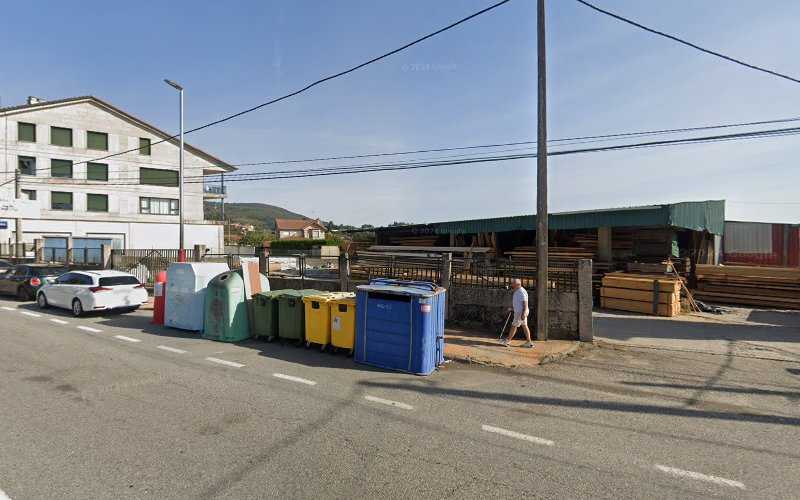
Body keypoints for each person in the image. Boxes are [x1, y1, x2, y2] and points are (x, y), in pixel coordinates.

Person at [500, 278, 534, 348]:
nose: (512, 285)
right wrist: (512, 308)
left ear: (518, 284)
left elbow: (525, 303)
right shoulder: (517, 291)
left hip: (520, 313)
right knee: (524, 326)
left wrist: (524, 313)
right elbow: (517, 302)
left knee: (514, 326)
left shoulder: (521, 291)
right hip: (520, 312)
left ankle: (508, 341)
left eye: (513, 284)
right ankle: (529, 342)